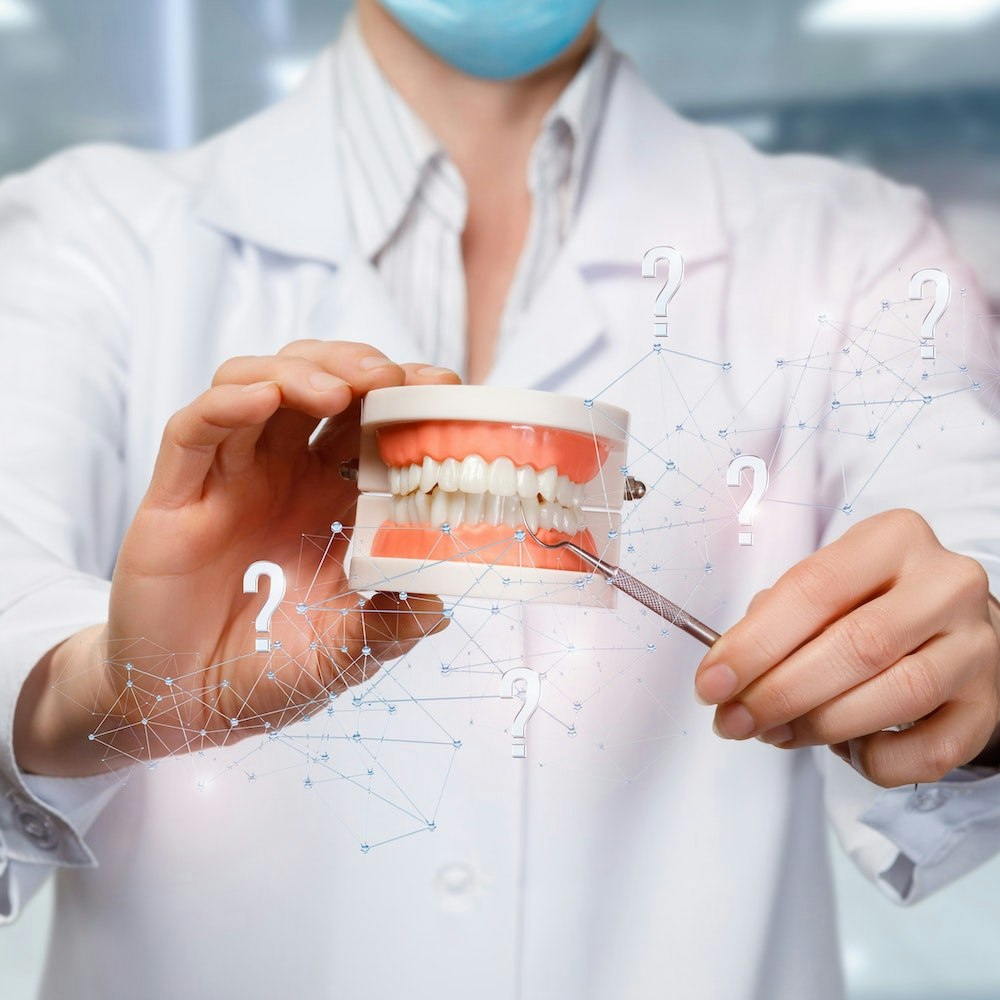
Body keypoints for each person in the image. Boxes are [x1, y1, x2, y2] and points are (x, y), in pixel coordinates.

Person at [1, 1, 999, 997]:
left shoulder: (861, 250)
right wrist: (105, 692)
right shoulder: (86, 235)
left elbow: (966, 553)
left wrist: (966, 668)